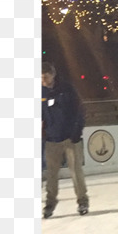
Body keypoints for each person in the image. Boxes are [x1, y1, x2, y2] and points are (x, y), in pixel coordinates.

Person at [41, 61, 88, 218]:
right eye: (40, 78)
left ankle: (82, 201)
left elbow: (80, 110)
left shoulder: (67, 89)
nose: (43, 81)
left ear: (53, 74)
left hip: (70, 139)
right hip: (51, 140)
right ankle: (50, 203)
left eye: (46, 77)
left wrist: (76, 132)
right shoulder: (40, 92)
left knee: (76, 172)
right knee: (51, 174)